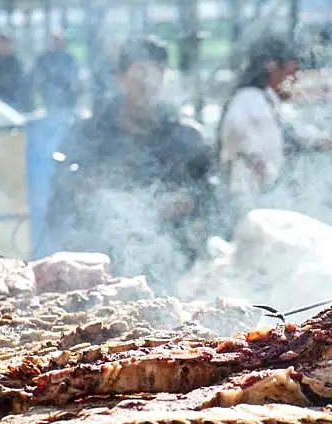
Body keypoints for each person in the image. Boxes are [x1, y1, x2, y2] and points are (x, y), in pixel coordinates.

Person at [42, 36, 216, 294]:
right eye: (140, 71)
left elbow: (212, 199)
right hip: (99, 275)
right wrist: (88, 195)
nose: (147, 81)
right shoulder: (88, 134)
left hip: (173, 272)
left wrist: (188, 203)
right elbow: (60, 201)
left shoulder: (188, 138)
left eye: (156, 72)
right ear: (120, 77)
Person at [217, 34, 332, 217]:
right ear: (272, 68)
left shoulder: (268, 103)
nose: (295, 80)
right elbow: (238, 134)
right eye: (292, 73)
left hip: (264, 199)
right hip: (248, 201)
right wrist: (257, 162)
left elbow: (297, 131)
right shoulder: (248, 100)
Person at [31, 32, 80, 113]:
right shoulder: (42, 59)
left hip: (68, 100)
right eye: (55, 40)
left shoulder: (69, 59)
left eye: (59, 40)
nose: (57, 43)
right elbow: (39, 78)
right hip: (49, 100)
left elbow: (73, 78)